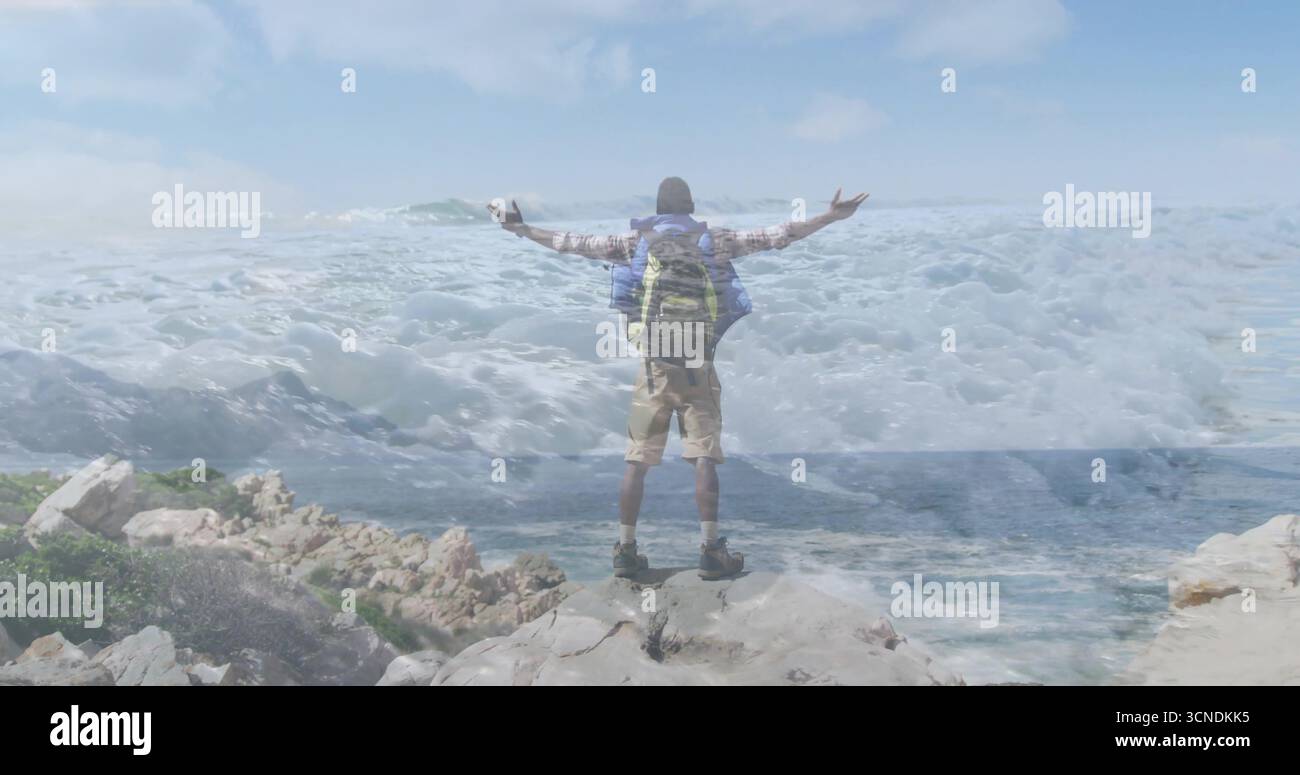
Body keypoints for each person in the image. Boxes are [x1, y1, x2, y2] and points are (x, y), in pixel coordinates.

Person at [489, 177, 868, 579]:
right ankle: (710, 550)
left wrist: (521, 228)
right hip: (696, 363)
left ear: (657, 209)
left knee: (636, 462)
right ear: (690, 209)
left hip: (654, 366)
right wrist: (830, 216)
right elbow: (779, 235)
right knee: (703, 455)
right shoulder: (715, 241)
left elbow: (571, 242)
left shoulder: (634, 244)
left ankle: (626, 551)